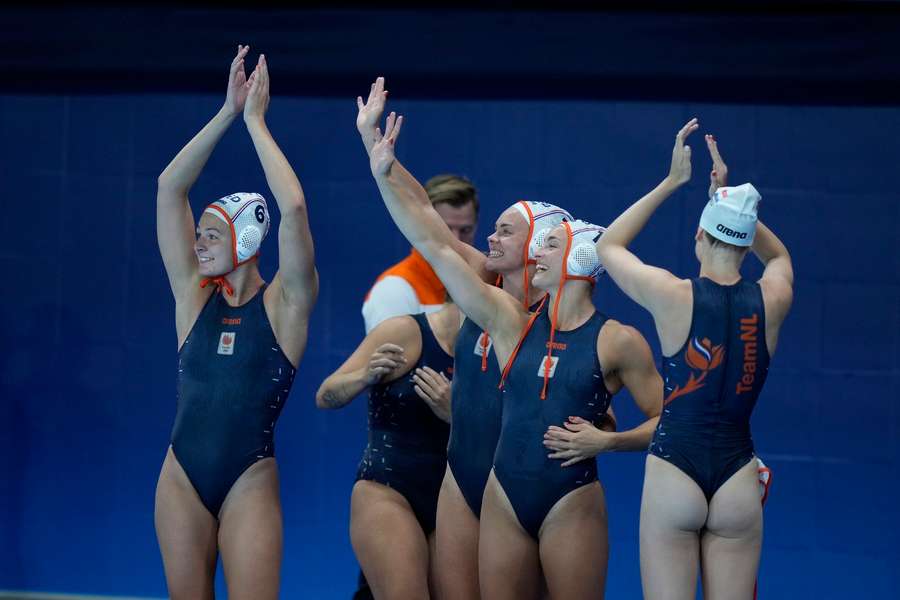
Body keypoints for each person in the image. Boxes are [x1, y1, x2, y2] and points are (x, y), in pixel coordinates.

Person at [366, 105, 661, 599]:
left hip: (541, 486)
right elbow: (426, 229)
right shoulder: (488, 292)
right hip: (466, 476)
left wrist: (605, 431)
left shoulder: (581, 331)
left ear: (545, 247)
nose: (489, 238)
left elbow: (610, 400)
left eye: (506, 231)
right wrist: (383, 163)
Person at [594, 120, 793, 600]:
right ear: (746, 244)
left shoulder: (671, 294)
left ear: (699, 236)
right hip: (738, 477)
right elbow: (779, 255)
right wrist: (729, 200)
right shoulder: (774, 296)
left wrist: (671, 184)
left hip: (674, 472)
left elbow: (607, 246)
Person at [154, 46, 318, 600]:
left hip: (248, 480)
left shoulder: (285, 307)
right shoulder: (193, 297)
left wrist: (255, 123)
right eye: (198, 234)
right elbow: (169, 188)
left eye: (212, 235)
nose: (198, 244)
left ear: (247, 242)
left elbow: (292, 208)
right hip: (180, 477)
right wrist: (226, 111)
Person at [316, 301, 458, 598]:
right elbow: (326, 395)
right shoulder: (404, 330)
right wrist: (363, 376)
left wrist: (456, 415)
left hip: (452, 498)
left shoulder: (491, 345)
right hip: (388, 490)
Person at [361, 172, 479, 333]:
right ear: (421, 224)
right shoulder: (394, 290)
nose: (455, 240)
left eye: (465, 230)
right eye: (445, 229)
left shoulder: (483, 283)